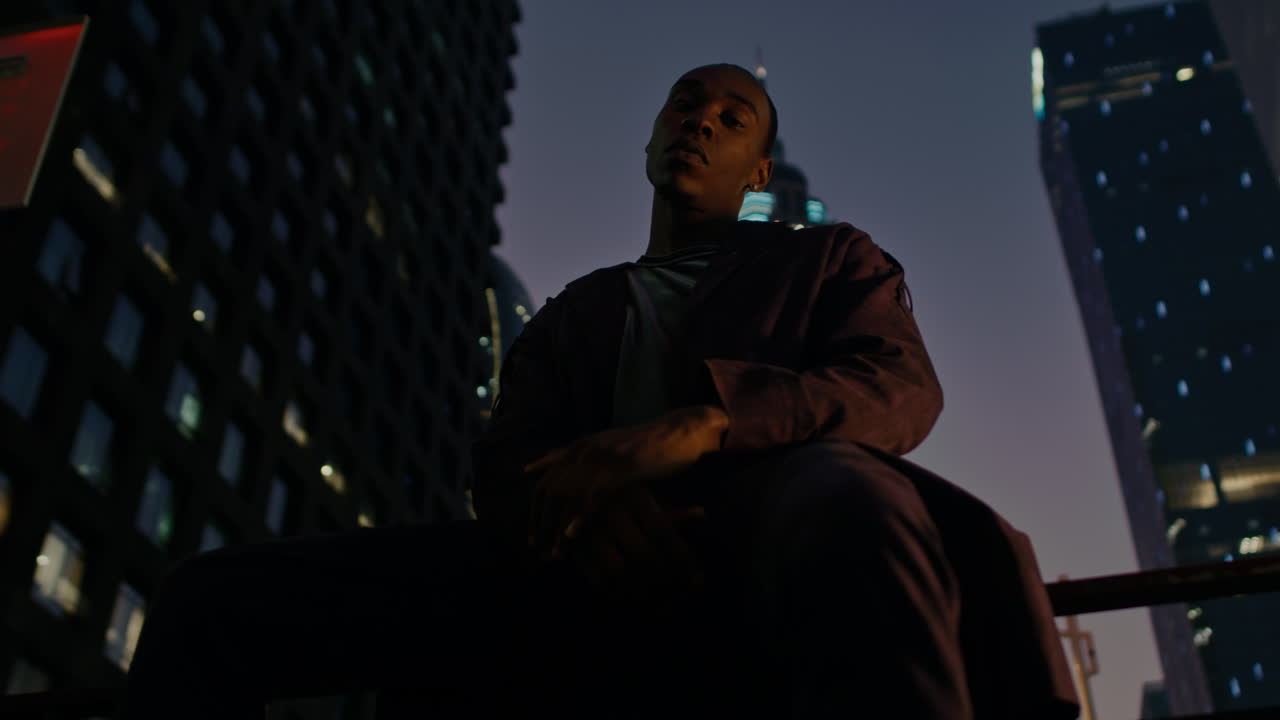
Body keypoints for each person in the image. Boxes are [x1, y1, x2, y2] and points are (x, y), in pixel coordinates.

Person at [121, 64, 1077, 720]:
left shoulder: (832, 257)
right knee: (209, 599)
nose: (701, 120)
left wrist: (704, 426)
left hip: (768, 525)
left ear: (755, 174)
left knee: (852, 493)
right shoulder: (580, 310)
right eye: (683, 106)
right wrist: (573, 509)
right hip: (570, 561)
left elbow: (896, 388)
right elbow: (502, 459)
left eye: (732, 118)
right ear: (653, 138)